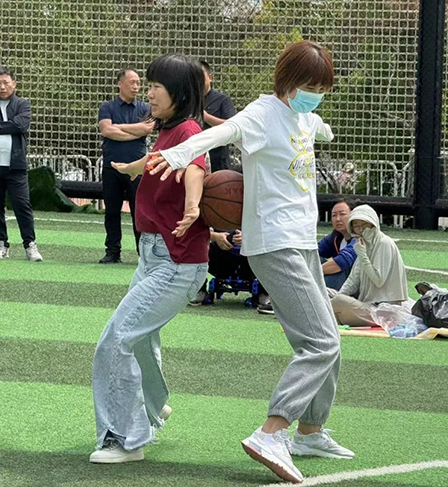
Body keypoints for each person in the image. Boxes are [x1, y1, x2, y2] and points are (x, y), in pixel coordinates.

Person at [148, 41, 353, 484]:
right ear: (287, 81)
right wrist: (177, 154)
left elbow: (317, 127)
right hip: (274, 244)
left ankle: (310, 432)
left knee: (328, 339)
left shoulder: (303, 116)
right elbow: (219, 134)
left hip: (302, 242)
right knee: (321, 343)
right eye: (310, 87)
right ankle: (271, 433)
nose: (315, 96)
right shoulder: (262, 114)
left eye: (322, 90)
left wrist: (323, 128)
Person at [89, 54, 209, 464]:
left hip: (175, 261)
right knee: (139, 341)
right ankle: (153, 408)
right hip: (155, 256)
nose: (150, 93)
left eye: (157, 86)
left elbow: (195, 168)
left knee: (116, 341)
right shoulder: (168, 130)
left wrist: (192, 206)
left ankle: (126, 439)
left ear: (179, 93)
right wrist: (132, 167)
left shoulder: (189, 131)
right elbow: (161, 160)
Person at [0, 66, 42, 262]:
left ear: (14, 84)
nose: (2, 87)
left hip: (15, 165)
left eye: (6, 83)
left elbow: (20, 124)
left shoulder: (22, 104)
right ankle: (1, 243)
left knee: (22, 204)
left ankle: (30, 244)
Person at [98, 69, 154, 263]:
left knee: (139, 211)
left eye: (138, 83)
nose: (136, 87)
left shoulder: (145, 108)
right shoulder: (107, 107)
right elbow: (107, 130)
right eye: (132, 82)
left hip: (137, 168)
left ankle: (142, 253)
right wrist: (135, 132)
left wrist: (119, 127)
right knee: (112, 211)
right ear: (120, 84)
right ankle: (112, 251)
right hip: (111, 166)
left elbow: (148, 128)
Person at [330, 204, 408, 327]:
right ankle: (332, 314)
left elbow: (378, 280)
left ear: (373, 224)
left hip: (384, 311)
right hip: (367, 305)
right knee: (326, 293)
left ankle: (332, 315)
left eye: (364, 225)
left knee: (337, 302)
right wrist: (337, 297)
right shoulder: (362, 244)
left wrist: (362, 255)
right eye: (356, 226)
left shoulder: (384, 243)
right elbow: (352, 281)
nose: (360, 230)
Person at [189, 229, 273, 314]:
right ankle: (199, 290)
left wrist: (249, 238)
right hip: (219, 256)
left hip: (251, 257)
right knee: (194, 242)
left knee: (273, 248)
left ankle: (265, 293)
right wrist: (215, 236)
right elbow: (194, 231)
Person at [199, 61, 236, 172]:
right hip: (195, 158)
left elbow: (233, 126)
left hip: (218, 160)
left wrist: (207, 118)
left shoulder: (222, 100)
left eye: (200, 77)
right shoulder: (187, 101)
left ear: (210, 77)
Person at [318, 200, 357, 290]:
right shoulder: (336, 236)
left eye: (342, 214)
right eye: (334, 215)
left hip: (358, 285)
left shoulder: (360, 237)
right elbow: (314, 250)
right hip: (343, 282)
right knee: (313, 258)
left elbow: (341, 262)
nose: (338, 219)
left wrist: (311, 272)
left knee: (339, 269)